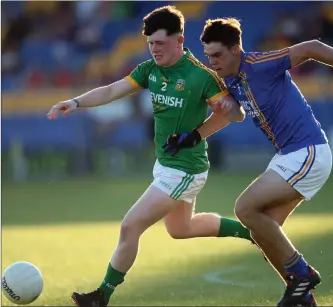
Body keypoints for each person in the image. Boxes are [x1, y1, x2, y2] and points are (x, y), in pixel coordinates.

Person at [47, 7, 251, 307]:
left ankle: (101, 295)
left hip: (185, 169)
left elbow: (235, 114)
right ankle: (254, 230)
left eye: (160, 43)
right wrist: (76, 102)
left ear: (180, 40)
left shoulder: (200, 76)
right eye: (150, 44)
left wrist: (219, 115)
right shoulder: (149, 71)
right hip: (166, 165)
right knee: (181, 229)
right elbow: (112, 90)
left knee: (130, 225)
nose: (154, 49)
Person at [163, 17, 333, 307]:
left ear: (236, 49)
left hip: (308, 151)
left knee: (244, 207)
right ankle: (301, 297)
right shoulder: (230, 79)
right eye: (208, 56)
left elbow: (313, 47)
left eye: (218, 55)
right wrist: (193, 136)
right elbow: (232, 114)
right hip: (289, 156)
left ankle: (302, 274)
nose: (212, 62)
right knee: (262, 232)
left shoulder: (260, 63)